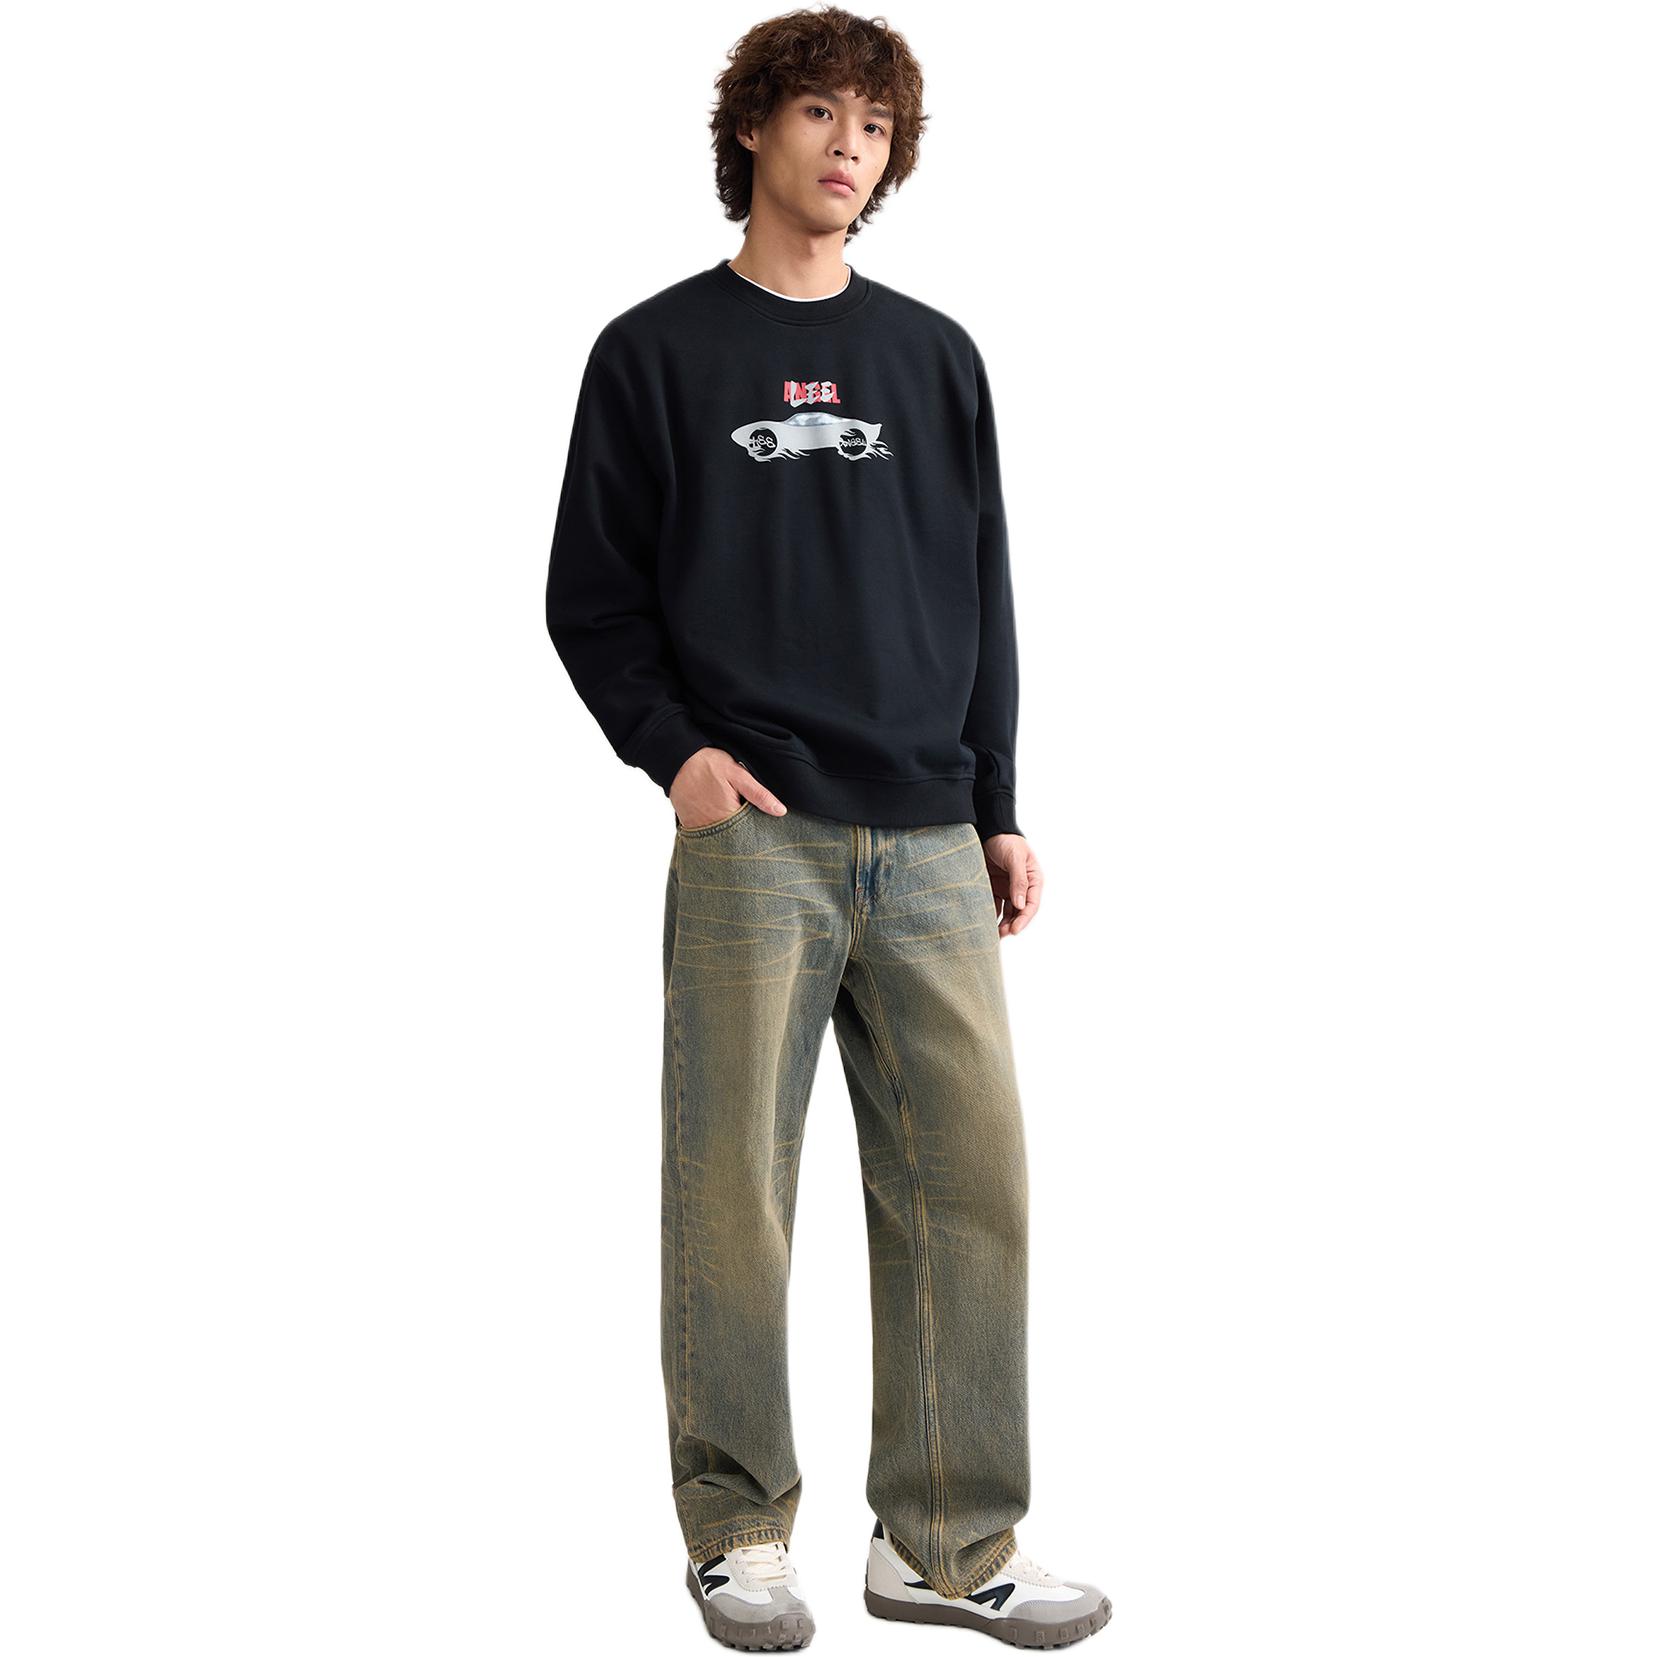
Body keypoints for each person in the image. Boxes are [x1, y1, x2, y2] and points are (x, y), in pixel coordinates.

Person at [544, 7, 1110, 1648]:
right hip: (755, 833)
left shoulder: (933, 356)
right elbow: (589, 596)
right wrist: (676, 757)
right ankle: (738, 1531)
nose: (848, 143)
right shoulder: (653, 351)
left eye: (873, 121)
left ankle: (943, 1540)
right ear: (753, 132)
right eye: (815, 112)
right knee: (731, 1191)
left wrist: (995, 799)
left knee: (969, 1187)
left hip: (928, 833)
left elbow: (982, 589)